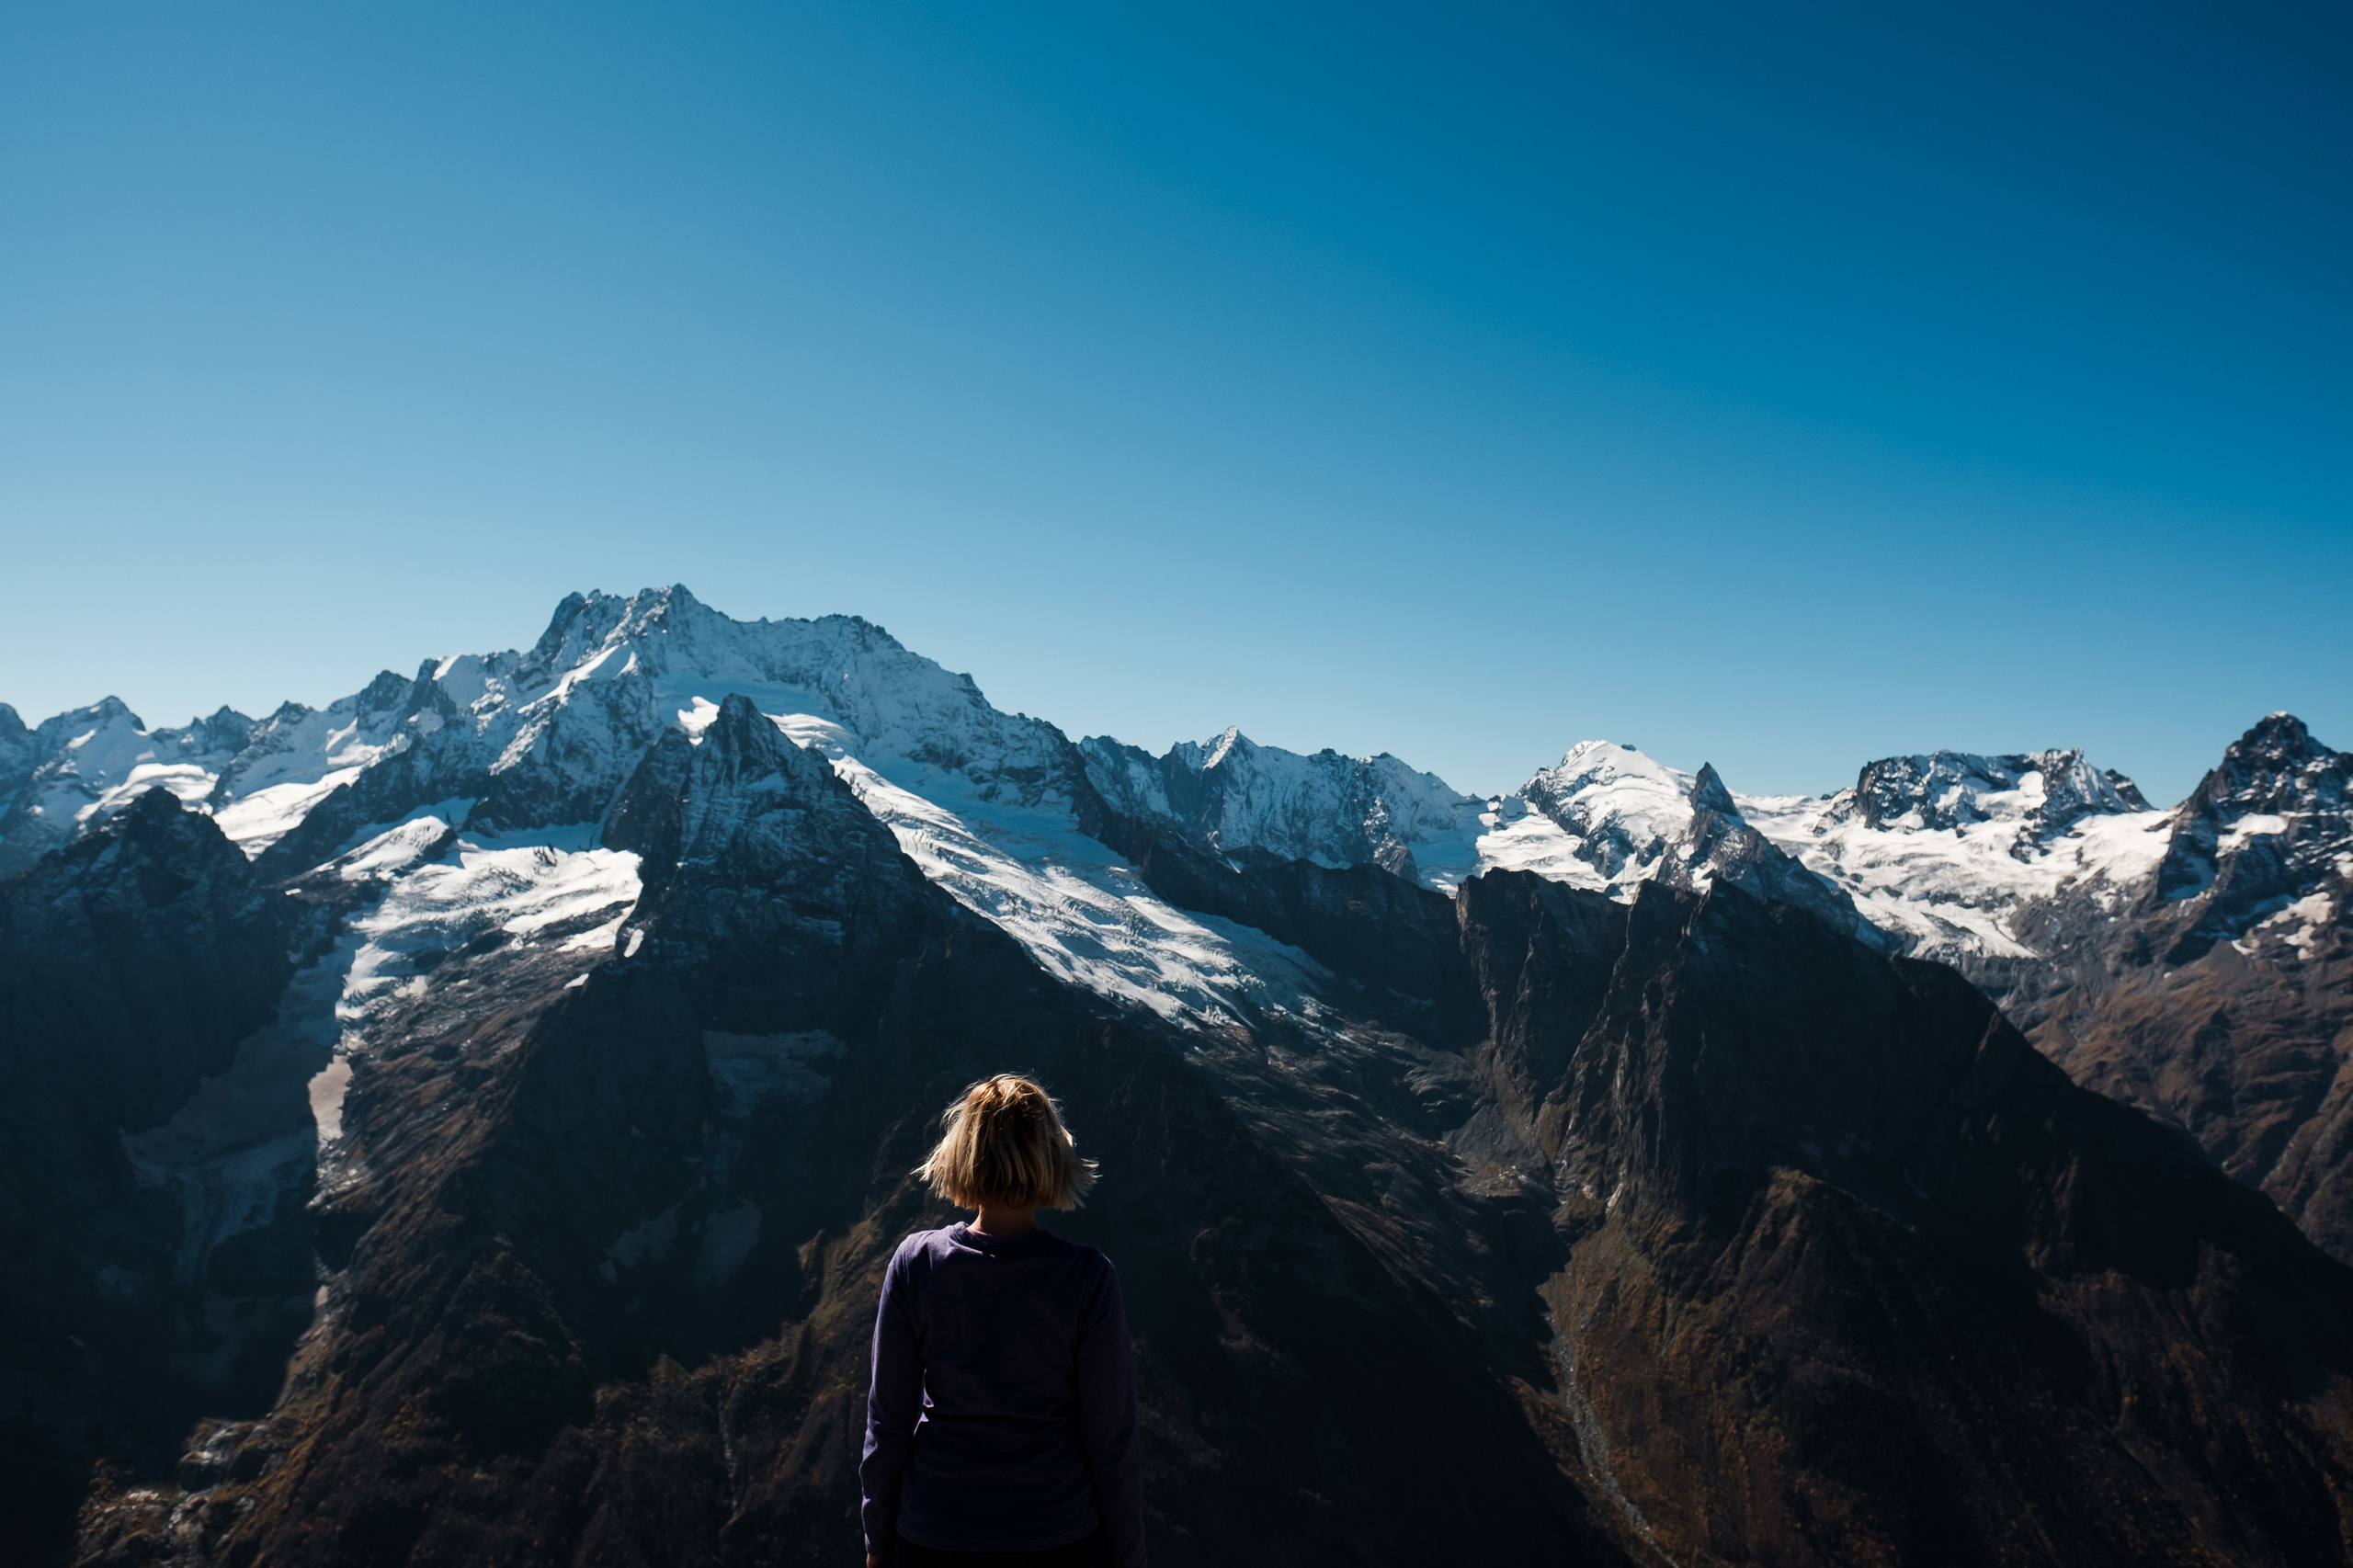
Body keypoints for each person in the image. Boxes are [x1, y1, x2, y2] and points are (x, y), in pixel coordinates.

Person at [860, 1074, 1146, 1568]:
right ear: (1052, 1158)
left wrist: (878, 1543)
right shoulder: (1087, 1278)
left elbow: (888, 1422)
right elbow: (1111, 1440)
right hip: (1057, 1536)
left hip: (934, 1533)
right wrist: (1130, 1557)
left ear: (961, 1154)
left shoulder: (917, 1264)